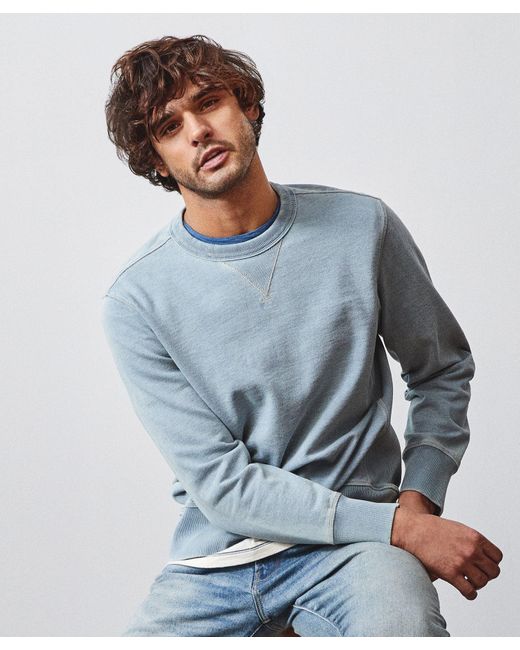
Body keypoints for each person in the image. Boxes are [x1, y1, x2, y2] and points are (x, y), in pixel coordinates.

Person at [102, 34, 503, 637]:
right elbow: (224, 487)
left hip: (358, 553)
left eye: (209, 103)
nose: (198, 131)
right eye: (169, 127)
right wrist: (402, 528)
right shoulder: (137, 299)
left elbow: (441, 368)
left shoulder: (362, 226)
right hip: (218, 565)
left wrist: (418, 498)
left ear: (247, 106)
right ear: (157, 160)